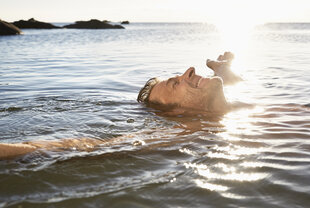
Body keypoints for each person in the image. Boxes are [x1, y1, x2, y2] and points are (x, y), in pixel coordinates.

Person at [0, 52, 242, 159]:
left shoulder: (240, 110)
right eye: (174, 83)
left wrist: (222, 76)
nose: (189, 69)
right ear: (173, 112)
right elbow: (88, 147)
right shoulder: (186, 133)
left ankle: (223, 69)